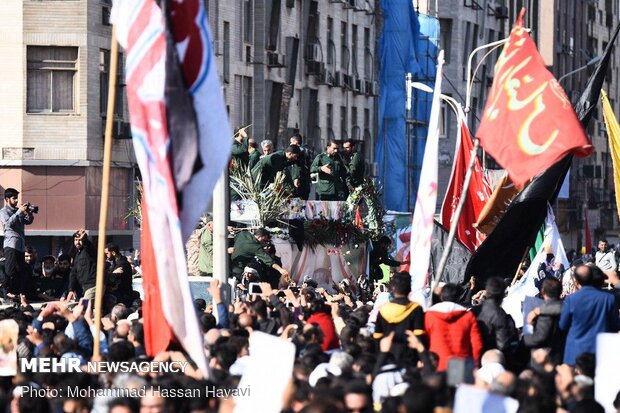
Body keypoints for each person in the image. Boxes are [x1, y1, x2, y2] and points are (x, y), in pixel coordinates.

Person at [559, 263, 620, 365]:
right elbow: (614, 326)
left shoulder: (571, 299)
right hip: (600, 352)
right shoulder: (608, 298)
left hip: (576, 353)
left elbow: (563, 325)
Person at [424, 283, 483, 371]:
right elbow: (477, 344)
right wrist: (475, 365)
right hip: (461, 364)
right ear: (458, 297)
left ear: (441, 297)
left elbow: (425, 340)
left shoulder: (429, 315)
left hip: (436, 363)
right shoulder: (468, 316)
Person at [373, 271, 426, 359]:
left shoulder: (383, 309)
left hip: (387, 357)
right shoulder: (416, 309)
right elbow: (419, 336)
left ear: (393, 288)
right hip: (410, 357)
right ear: (410, 288)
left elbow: (377, 337)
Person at [0, 188, 35, 299]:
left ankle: (18, 293)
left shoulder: (17, 210)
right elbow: (8, 224)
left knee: (20, 271)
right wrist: (20, 211)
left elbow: (28, 221)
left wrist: (29, 212)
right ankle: (7, 292)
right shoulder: (3, 211)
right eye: (14, 198)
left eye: (17, 198)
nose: (16, 200)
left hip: (20, 245)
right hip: (11, 244)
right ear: (7, 199)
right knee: (10, 269)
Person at [523, 277, 565, 365]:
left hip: (549, 360)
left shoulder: (544, 315)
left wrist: (528, 326)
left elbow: (535, 339)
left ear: (542, 291)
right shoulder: (567, 306)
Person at [472, 277, 518, 355]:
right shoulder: (500, 315)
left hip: (474, 355)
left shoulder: (473, 311)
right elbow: (503, 345)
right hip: (492, 357)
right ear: (503, 294)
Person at [66, 229, 97, 301]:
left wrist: (84, 239)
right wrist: (71, 290)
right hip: (83, 288)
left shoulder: (88, 251)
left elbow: (89, 246)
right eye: (76, 240)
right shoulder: (76, 255)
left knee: (84, 305)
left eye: (80, 240)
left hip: (93, 286)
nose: (78, 242)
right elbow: (73, 273)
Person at [287, 134, 311, 200]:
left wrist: (296, 178)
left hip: (299, 183)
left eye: (291, 142)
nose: (290, 144)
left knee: (297, 206)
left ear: (296, 143)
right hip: (305, 183)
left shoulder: (299, 152)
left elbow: (298, 166)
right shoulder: (305, 150)